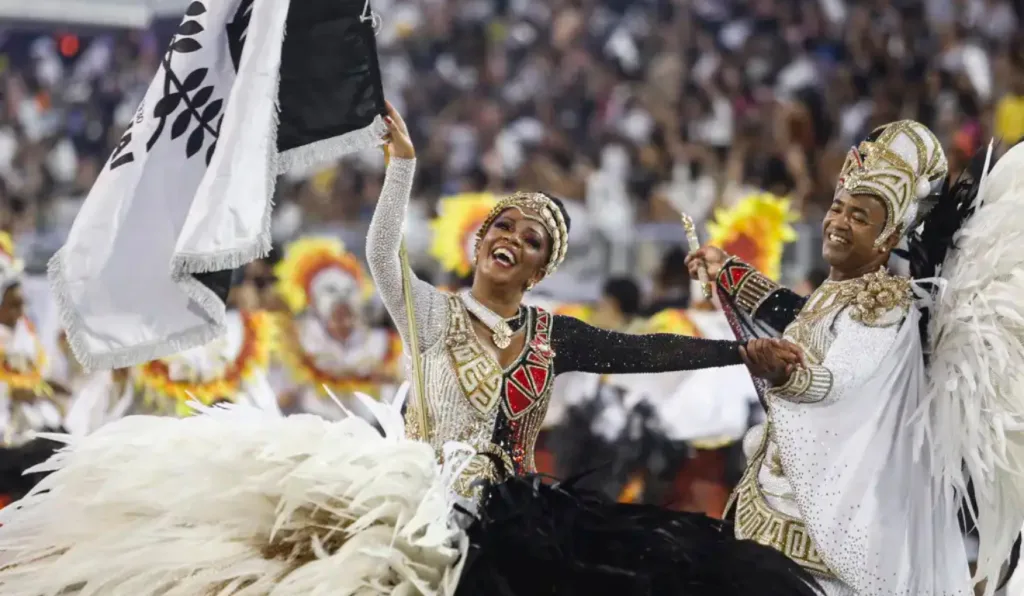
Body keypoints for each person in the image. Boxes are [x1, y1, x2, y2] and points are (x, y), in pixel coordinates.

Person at [0, 104, 818, 596]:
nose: (512, 240)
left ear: (542, 267)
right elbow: (384, 247)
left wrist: (742, 357)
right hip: (406, 501)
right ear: (479, 243)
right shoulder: (427, 311)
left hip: (518, 517)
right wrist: (402, 168)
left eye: (531, 240)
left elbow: (644, 353)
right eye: (503, 226)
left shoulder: (550, 335)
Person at [685, 120, 1022, 595]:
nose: (839, 222)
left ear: (888, 238)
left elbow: (839, 379)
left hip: (816, 536)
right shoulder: (843, 289)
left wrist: (788, 373)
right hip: (776, 507)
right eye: (838, 207)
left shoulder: (883, 305)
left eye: (860, 217)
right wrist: (730, 273)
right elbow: (802, 314)